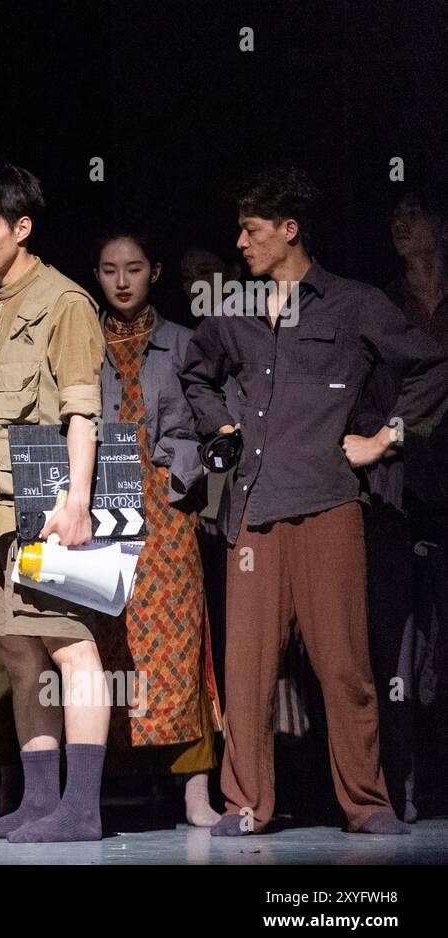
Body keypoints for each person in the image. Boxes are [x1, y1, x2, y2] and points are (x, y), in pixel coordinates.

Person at [180, 165, 448, 836]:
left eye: (252, 228)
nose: (241, 241)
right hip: (254, 511)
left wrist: (386, 436)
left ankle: (366, 799)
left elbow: (432, 363)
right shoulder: (235, 307)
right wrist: (221, 426)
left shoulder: (353, 302)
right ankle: (245, 803)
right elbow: (195, 372)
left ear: (289, 229)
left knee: (346, 665)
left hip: (329, 504)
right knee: (247, 672)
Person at [0, 164, 110, 844]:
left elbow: (82, 411)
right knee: (17, 653)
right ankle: (40, 801)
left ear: (21, 227)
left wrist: (77, 500)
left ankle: (83, 807)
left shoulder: (63, 301)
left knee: (70, 646)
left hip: (47, 495)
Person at [91, 226, 221, 827]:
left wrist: (181, 472)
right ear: (97, 275)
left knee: (178, 643)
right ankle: (87, 786)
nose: (122, 281)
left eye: (134, 268)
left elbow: (220, 423)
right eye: (111, 270)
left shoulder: (186, 342)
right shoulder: (82, 340)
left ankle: (196, 789)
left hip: (167, 506)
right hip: (100, 500)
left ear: (155, 273)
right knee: (104, 637)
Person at [354, 181, 448, 821]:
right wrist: (384, 439)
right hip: (401, 487)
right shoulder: (382, 303)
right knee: (397, 644)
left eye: (414, 213)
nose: (400, 223)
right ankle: (406, 785)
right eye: (393, 214)